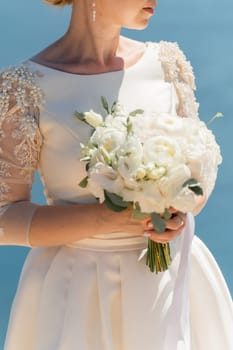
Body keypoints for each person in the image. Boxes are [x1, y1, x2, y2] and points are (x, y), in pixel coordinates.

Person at [0, 0, 232, 349]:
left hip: (171, 285)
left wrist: (179, 212)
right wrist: (103, 219)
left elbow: (199, 168)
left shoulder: (169, 65)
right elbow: (5, 216)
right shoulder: (25, 88)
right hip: (76, 294)